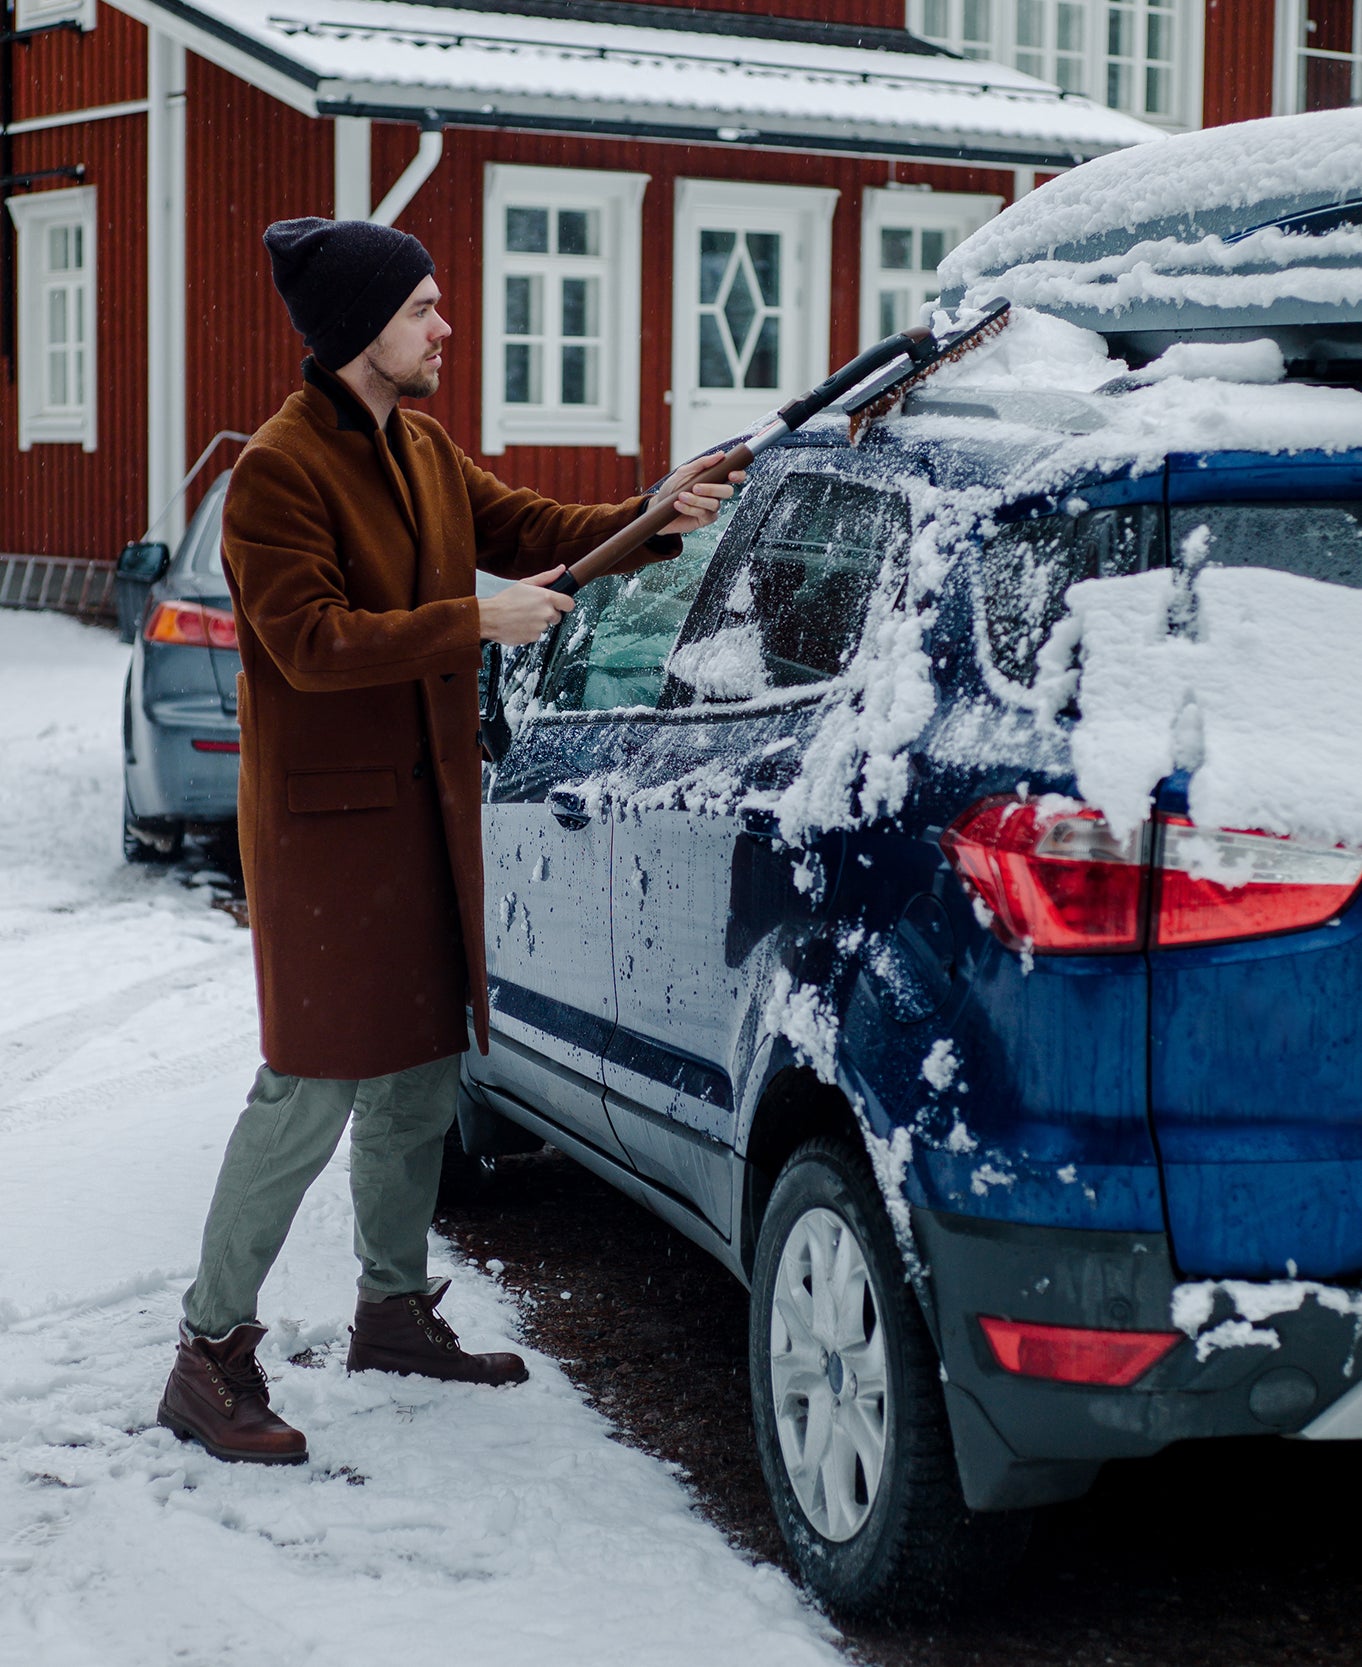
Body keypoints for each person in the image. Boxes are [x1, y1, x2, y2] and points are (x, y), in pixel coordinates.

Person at [156, 216, 738, 1466]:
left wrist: (659, 507)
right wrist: (469, 620)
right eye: (424, 308)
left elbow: (535, 528)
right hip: (325, 839)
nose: (445, 327)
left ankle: (391, 1309)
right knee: (307, 1091)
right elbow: (310, 642)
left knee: (423, 1076)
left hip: (426, 819)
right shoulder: (277, 472)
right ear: (364, 328)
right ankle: (208, 1354)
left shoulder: (419, 445)